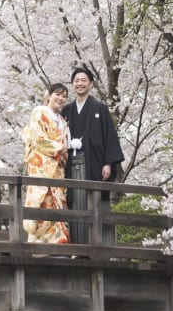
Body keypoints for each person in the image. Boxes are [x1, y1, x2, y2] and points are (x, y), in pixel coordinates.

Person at [61, 66, 125, 244]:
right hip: (71, 165)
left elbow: (109, 137)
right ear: (73, 84)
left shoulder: (100, 108)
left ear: (91, 83)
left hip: (95, 165)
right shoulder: (67, 110)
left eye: (83, 80)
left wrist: (108, 163)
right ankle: (76, 245)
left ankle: (101, 245)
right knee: (74, 200)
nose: (80, 84)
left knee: (96, 201)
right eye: (76, 81)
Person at [20, 83, 71, 244]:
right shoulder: (39, 112)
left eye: (64, 96)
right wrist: (60, 147)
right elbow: (37, 138)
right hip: (42, 164)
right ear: (49, 95)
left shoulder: (62, 119)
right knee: (42, 201)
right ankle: (39, 243)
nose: (61, 99)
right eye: (58, 94)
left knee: (58, 202)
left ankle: (58, 242)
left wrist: (66, 147)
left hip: (57, 167)